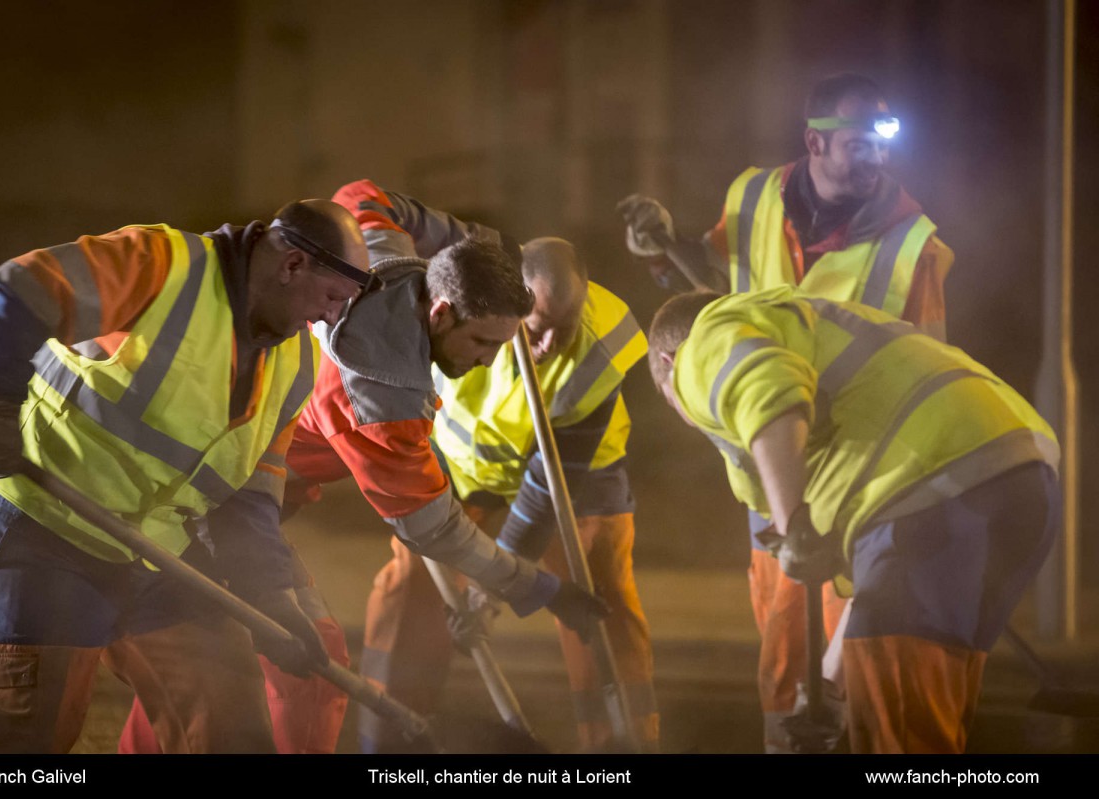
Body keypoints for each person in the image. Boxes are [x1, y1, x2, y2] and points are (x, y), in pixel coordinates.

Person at [120, 179, 611, 754]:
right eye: (482, 342)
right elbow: (436, 530)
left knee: (194, 657)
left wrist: (479, 242)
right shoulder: (382, 401)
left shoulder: (381, 256)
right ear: (442, 311)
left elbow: (365, 195)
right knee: (307, 663)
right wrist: (541, 588)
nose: (487, 362)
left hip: (245, 489)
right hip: (206, 496)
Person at [0, 200, 372, 753]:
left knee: (229, 726)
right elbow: (16, 290)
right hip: (46, 526)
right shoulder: (163, 265)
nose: (328, 318)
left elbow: (249, 495)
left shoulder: (294, 364)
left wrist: (273, 598)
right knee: (29, 731)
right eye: (332, 298)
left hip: (154, 553)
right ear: (292, 266)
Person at [620, 72, 955, 751]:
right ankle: (787, 742)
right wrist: (664, 248)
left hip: (853, 461)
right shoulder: (752, 197)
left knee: (850, 625)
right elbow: (718, 280)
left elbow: (930, 367)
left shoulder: (910, 242)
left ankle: (846, 735)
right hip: (767, 456)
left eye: (883, 147)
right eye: (861, 145)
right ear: (816, 143)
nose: (876, 160)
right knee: (780, 618)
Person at [647, 287, 1059, 753]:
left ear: (669, 360)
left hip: (930, 490)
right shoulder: (809, 338)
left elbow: (767, 390)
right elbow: (875, 586)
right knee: (925, 714)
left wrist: (792, 523)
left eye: (672, 401)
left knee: (899, 737)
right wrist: (829, 686)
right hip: (1023, 477)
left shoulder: (704, 340)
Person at [337, 182, 657, 752]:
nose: (549, 344)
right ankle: (389, 739)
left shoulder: (601, 345)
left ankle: (619, 747)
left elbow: (546, 488)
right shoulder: (462, 302)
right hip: (465, 469)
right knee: (410, 588)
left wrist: (491, 595)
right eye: (535, 327)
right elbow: (367, 198)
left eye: (566, 324)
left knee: (597, 598)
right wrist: (473, 238)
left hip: (575, 485)